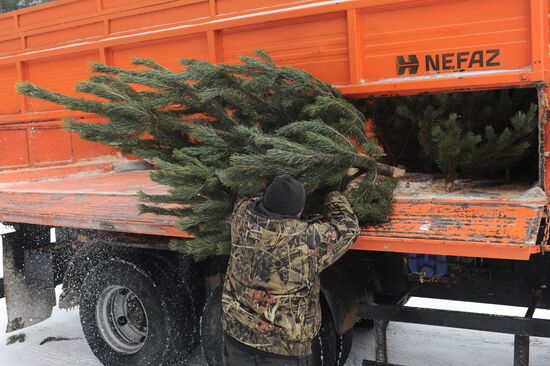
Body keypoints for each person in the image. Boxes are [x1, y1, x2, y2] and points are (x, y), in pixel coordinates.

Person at [222, 174, 360, 366]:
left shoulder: (241, 217)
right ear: (299, 211)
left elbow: (247, 190)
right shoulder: (307, 240)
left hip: (236, 337)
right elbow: (349, 228)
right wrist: (332, 194)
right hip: (282, 351)